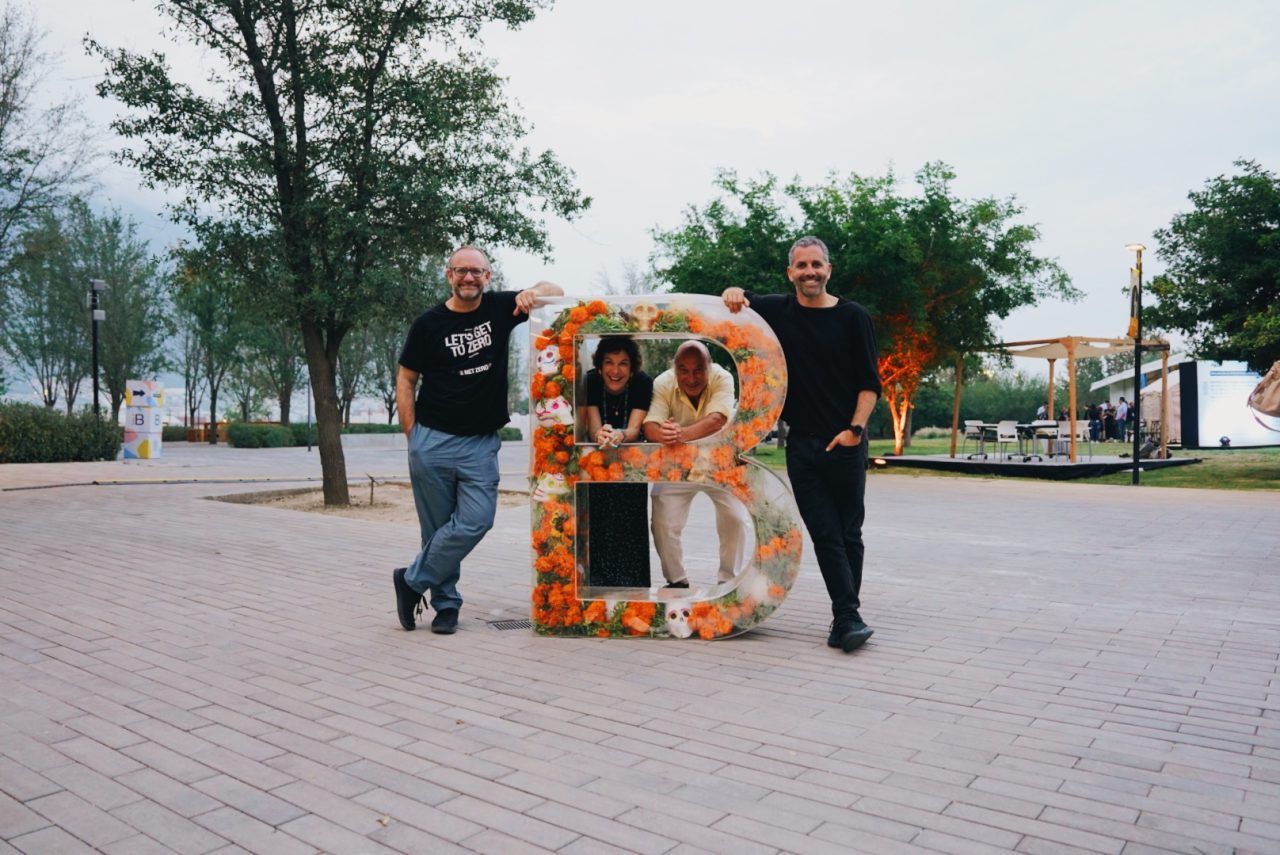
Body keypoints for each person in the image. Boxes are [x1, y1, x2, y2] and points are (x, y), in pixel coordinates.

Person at [722, 236, 882, 653]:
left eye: (816, 264)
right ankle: (847, 617)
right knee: (825, 533)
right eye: (802, 266)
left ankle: (845, 617)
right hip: (803, 447)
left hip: (846, 441)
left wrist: (855, 431)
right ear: (790, 272)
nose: (810, 272)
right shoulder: (778, 310)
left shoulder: (853, 316)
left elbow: (869, 384)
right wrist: (734, 291)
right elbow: (739, 299)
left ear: (828, 270)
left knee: (849, 533)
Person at [392, 246, 562, 633]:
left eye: (476, 271)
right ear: (449, 275)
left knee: (477, 521)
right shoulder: (428, 324)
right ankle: (445, 606)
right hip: (432, 440)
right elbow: (406, 378)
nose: (468, 277)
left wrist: (533, 291)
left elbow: (555, 290)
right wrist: (413, 436)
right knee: (436, 529)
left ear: (488, 276)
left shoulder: (502, 308)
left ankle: (411, 581)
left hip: (480, 444)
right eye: (461, 271)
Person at [643, 340, 750, 588]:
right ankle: (676, 581)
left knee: (736, 517)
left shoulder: (723, 377)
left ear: (709, 366)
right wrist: (663, 434)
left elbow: (717, 420)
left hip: (720, 462)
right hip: (677, 464)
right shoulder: (662, 382)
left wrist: (680, 434)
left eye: (698, 370)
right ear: (674, 368)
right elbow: (650, 425)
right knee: (663, 521)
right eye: (684, 370)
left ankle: (727, 581)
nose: (691, 378)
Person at [579, 337, 653, 588]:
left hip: (630, 463)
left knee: (630, 528)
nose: (615, 370)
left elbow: (634, 429)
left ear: (632, 368)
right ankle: (599, 588)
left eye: (623, 363)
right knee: (598, 525)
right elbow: (593, 429)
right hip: (598, 465)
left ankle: (634, 589)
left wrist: (619, 435)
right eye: (609, 362)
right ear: (600, 367)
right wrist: (601, 435)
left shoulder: (642, 382)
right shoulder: (590, 381)